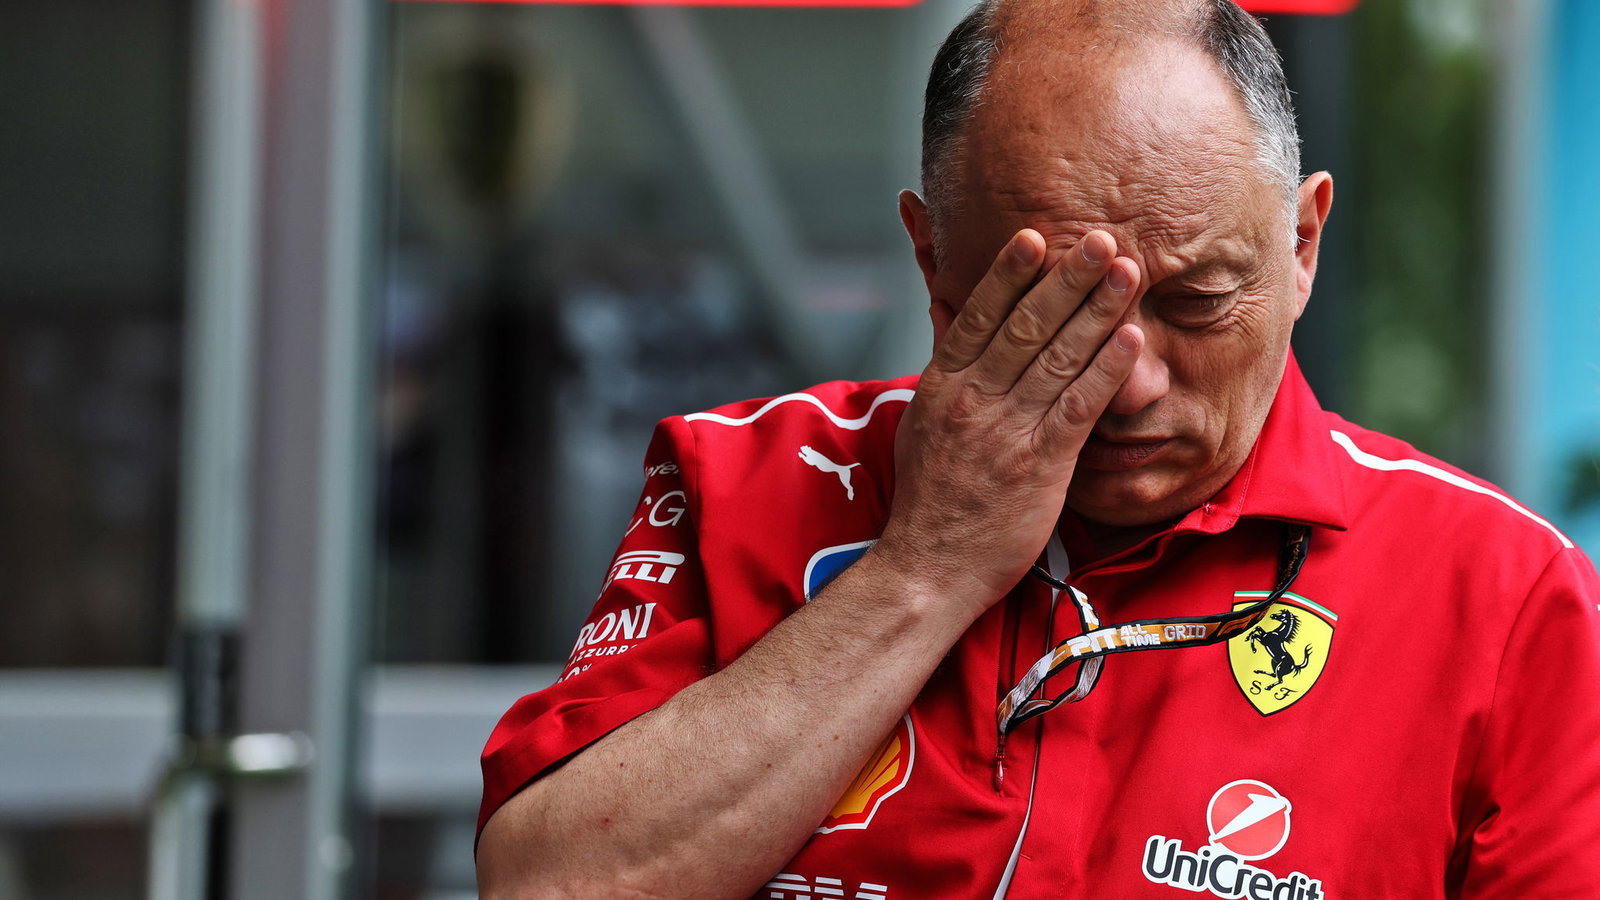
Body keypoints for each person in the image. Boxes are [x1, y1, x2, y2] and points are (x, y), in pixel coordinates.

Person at [475, 0, 1600, 897]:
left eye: (1198, 300)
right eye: (1050, 309)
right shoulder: (750, 480)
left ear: (1302, 244)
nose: (1129, 380)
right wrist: (927, 566)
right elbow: (549, 884)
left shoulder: (1501, 598)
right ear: (931, 263)